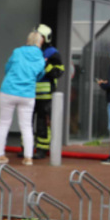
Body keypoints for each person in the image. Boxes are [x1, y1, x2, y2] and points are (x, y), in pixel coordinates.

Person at [0, 31, 46, 166]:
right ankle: (28, 157)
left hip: (8, 90)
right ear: (40, 42)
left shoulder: (17, 52)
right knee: (27, 126)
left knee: (3, 124)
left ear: (28, 40)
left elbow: (7, 68)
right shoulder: (41, 59)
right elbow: (40, 76)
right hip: (27, 94)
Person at [32, 24, 66, 160]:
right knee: (26, 121)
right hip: (30, 92)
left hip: (45, 95)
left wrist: (45, 65)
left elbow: (59, 72)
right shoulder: (32, 50)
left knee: (42, 122)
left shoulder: (52, 53)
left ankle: (42, 148)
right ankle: (26, 148)